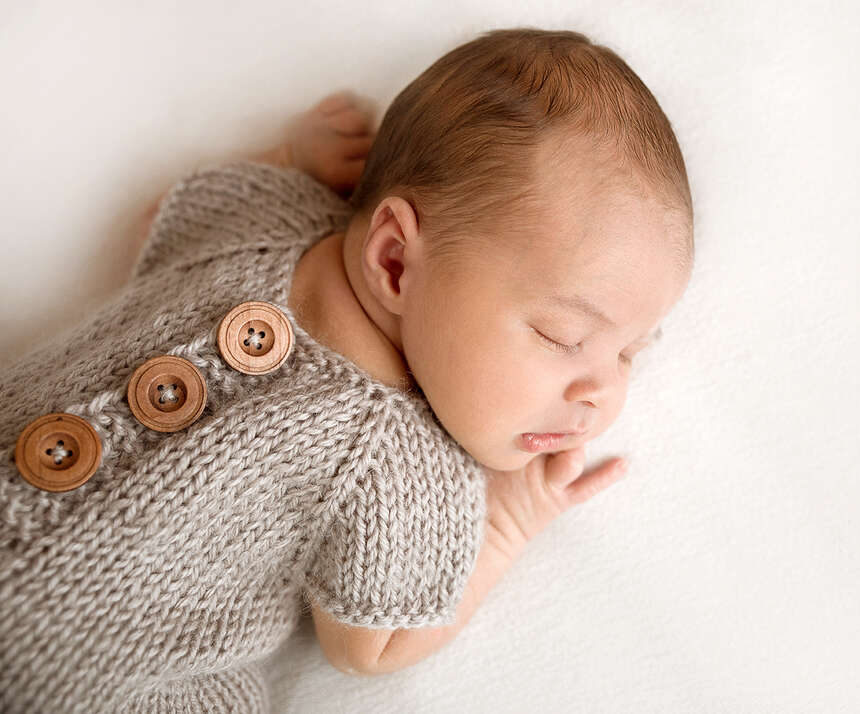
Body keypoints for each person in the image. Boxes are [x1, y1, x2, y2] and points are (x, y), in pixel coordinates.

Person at [0, 26, 693, 712]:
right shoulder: (271, 216)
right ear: (395, 260)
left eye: (631, 351)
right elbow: (168, 223)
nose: (604, 394)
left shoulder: (407, 466)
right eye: (562, 333)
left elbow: (372, 645)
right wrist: (288, 157)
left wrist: (503, 526)